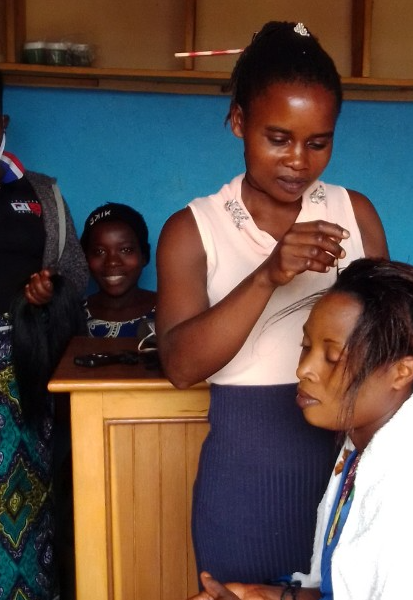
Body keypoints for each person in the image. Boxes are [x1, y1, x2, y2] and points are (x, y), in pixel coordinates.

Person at [156, 21, 388, 585]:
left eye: (318, 142)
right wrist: (268, 276)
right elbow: (181, 367)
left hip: (352, 476)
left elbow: (388, 345)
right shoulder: (194, 230)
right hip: (245, 487)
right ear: (239, 122)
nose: (299, 162)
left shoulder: (355, 214)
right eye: (278, 138)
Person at [194, 258, 413, 600]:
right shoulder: (368, 444)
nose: (304, 369)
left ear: (401, 372)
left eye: (333, 357)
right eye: (306, 347)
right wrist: (256, 594)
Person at [0, 72, 88, 600]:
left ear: (2, 124)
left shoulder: (40, 193)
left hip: (21, 372)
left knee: (25, 504)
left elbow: (74, 274)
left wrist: (46, 292)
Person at [80, 202, 156, 337]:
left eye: (126, 250)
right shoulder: (74, 315)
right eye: (99, 251)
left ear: (144, 255)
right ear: (85, 258)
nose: (112, 262)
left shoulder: (168, 310)